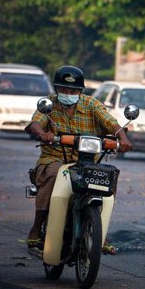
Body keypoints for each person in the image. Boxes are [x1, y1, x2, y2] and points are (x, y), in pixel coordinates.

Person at [24, 65, 132, 254]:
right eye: (63, 90)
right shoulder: (48, 104)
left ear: (80, 91)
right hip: (54, 157)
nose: (68, 93)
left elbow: (110, 122)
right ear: (56, 89)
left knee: (108, 177)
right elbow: (35, 123)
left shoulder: (92, 104)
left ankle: (101, 232)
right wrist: (43, 134)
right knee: (53, 174)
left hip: (89, 161)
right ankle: (36, 228)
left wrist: (122, 138)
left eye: (73, 90)